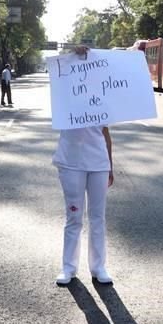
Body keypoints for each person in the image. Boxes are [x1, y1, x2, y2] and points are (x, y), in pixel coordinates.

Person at [54, 47, 114, 286]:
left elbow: (106, 133)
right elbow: (59, 70)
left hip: (98, 163)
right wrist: (72, 54)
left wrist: (110, 165)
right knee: (74, 217)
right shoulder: (64, 95)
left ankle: (98, 267)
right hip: (71, 162)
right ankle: (68, 268)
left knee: (98, 217)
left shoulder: (102, 99)